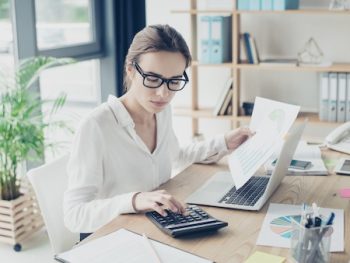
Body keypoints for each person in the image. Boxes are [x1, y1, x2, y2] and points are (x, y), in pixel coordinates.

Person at [63, 24, 253, 237]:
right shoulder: (96, 126)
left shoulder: (161, 112)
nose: (163, 93)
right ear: (131, 70)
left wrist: (224, 143)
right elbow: (74, 215)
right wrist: (134, 200)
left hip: (153, 228)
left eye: (174, 81)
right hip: (111, 237)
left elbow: (176, 156)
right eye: (152, 79)